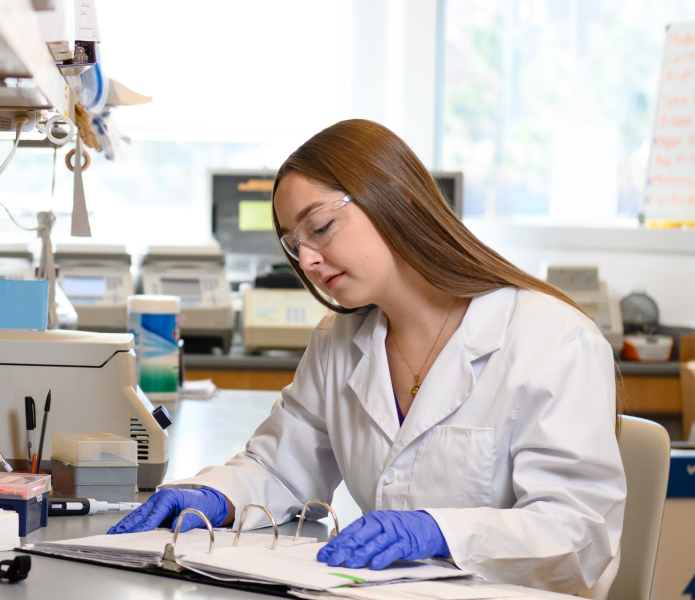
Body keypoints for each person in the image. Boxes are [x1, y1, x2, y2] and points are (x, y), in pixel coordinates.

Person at [109, 119, 626, 597]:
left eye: (321, 227)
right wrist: (214, 495)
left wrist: (439, 531)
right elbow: (282, 468)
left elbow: (580, 532)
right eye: (294, 245)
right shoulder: (340, 340)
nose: (307, 260)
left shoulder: (552, 341)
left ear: (395, 199)